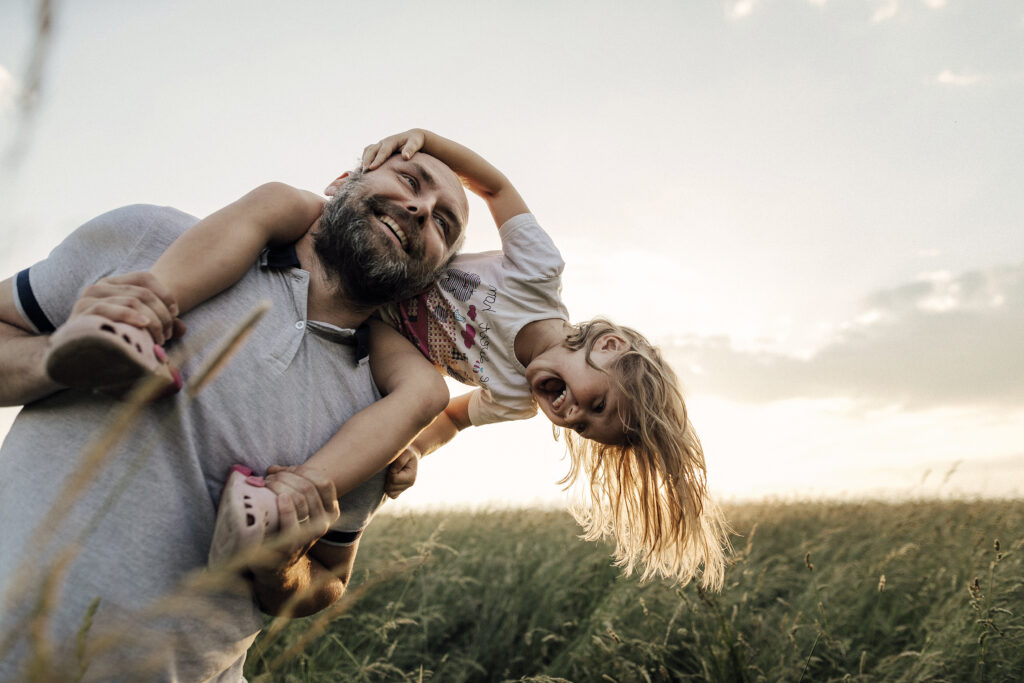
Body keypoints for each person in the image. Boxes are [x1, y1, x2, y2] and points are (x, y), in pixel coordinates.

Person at [44, 129, 731, 593]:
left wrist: (411, 452)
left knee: (425, 393)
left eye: (583, 426)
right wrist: (425, 140)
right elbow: (493, 184)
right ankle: (138, 314)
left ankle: (282, 505)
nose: (570, 413)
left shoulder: (518, 398)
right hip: (382, 274)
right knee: (283, 199)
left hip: (386, 319)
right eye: (596, 403)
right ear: (606, 347)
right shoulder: (538, 273)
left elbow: (455, 417)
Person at [0, 150, 469, 680]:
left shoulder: (385, 413)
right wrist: (57, 357)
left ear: (430, 274)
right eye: (409, 180)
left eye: (443, 223)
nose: (420, 209)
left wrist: (282, 565)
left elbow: (329, 579)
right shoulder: (150, 239)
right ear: (341, 182)